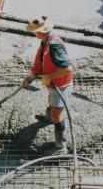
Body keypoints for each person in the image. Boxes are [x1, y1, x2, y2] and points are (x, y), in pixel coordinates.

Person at [22, 15, 73, 155]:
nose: (33, 33)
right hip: (53, 83)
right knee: (51, 101)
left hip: (61, 85)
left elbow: (68, 69)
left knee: (57, 113)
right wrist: (30, 77)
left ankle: (60, 147)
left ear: (39, 31)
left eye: (34, 31)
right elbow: (39, 64)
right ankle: (49, 117)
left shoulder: (54, 45)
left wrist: (49, 77)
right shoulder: (45, 41)